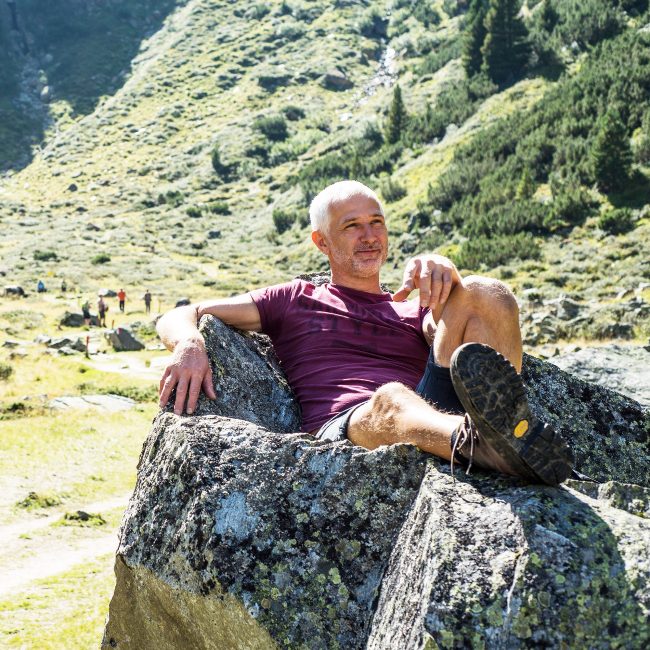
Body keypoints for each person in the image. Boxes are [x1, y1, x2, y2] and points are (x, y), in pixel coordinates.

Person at [157, 181, 573, 485]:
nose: (370, 236)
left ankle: (503, 432)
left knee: (489, 293)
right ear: (322, 242)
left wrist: (444, 273)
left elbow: (456, 323)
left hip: (436, 413)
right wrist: (190, 343)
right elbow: (183, 312)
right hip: (353, 427)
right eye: (352, 226)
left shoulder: (412, 309)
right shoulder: (294, 299)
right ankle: (491, 447)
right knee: (391, 397)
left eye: (377, 223)